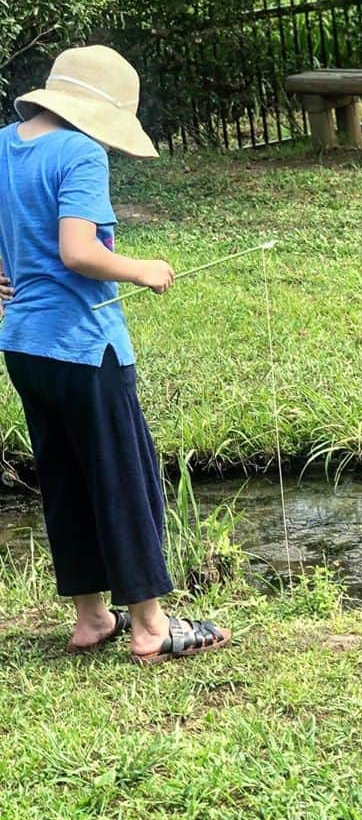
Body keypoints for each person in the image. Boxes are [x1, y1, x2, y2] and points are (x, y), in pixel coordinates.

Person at [0, 44, 230, 664]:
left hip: (22, 346)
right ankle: (151, 626)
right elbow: (79, 251)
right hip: (83, 345)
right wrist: (143, 269)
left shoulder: (3, 145)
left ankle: (92, 616)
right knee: (123, 479)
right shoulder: (78, 152)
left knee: (66, 478)